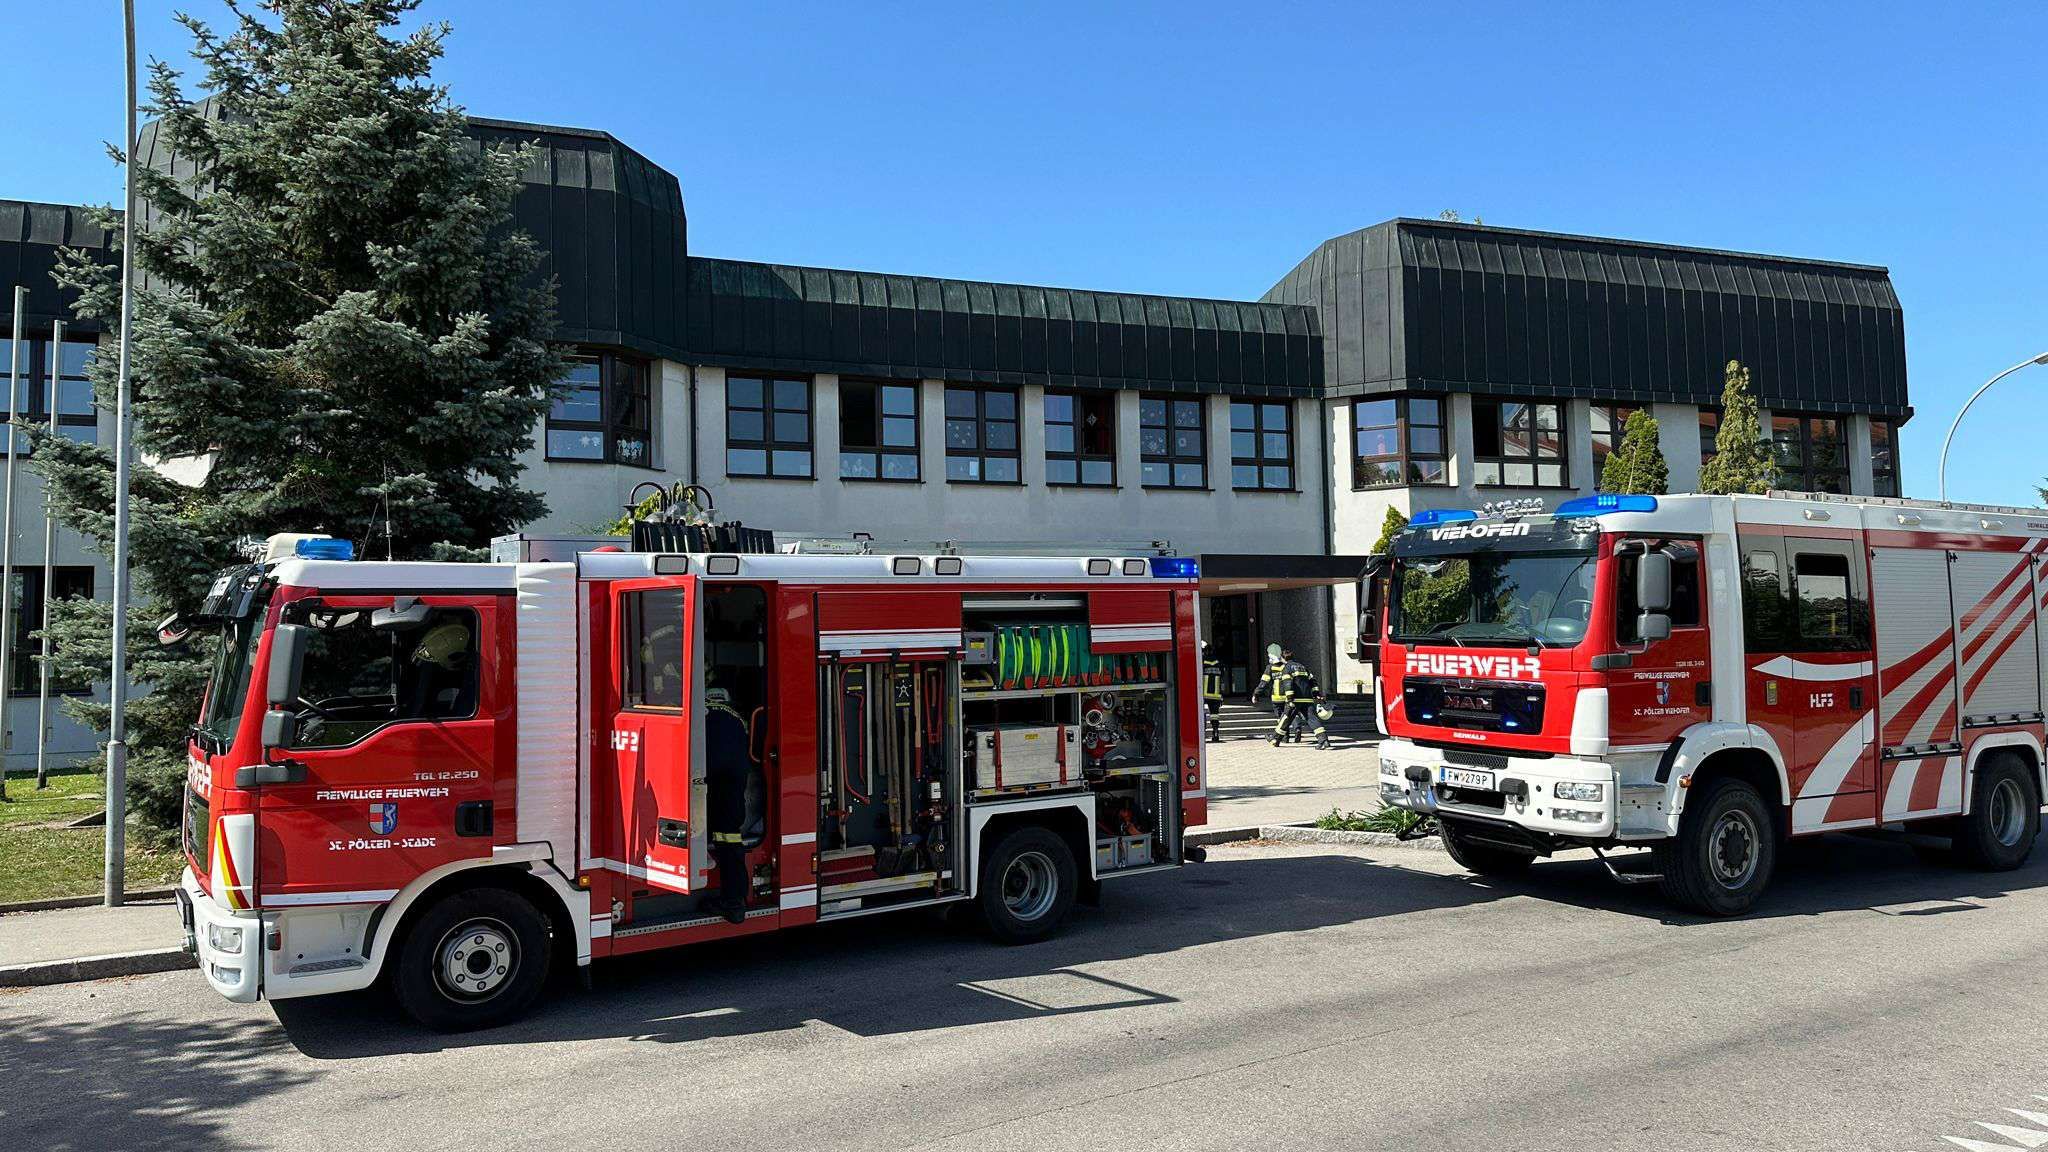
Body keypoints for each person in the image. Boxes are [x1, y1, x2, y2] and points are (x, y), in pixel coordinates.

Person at [704, 686, 753, 924]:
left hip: (706, 776)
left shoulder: (701, 713)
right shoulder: (738, 718)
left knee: (699, 824)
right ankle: (735, 902)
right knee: (731, 838)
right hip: (734, 781)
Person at [1253, 644, 1292, 730]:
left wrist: (1256, 693)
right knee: (1288, 714)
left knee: (1280, 717)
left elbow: (1264, 682)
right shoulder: (1287, 666)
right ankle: (1296, 729)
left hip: (1277, 697)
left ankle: (1285, 735)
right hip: (1287, 696)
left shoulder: (1270, 667)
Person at [1201, 643, 1224, 743]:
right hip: (1216, 693)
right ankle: (1215, 733)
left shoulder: (1201, 661)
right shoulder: (1219, 661)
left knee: (1200, 714)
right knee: (1215, 714)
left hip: (1203, 693)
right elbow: (1222, 678)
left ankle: (1202, 733)